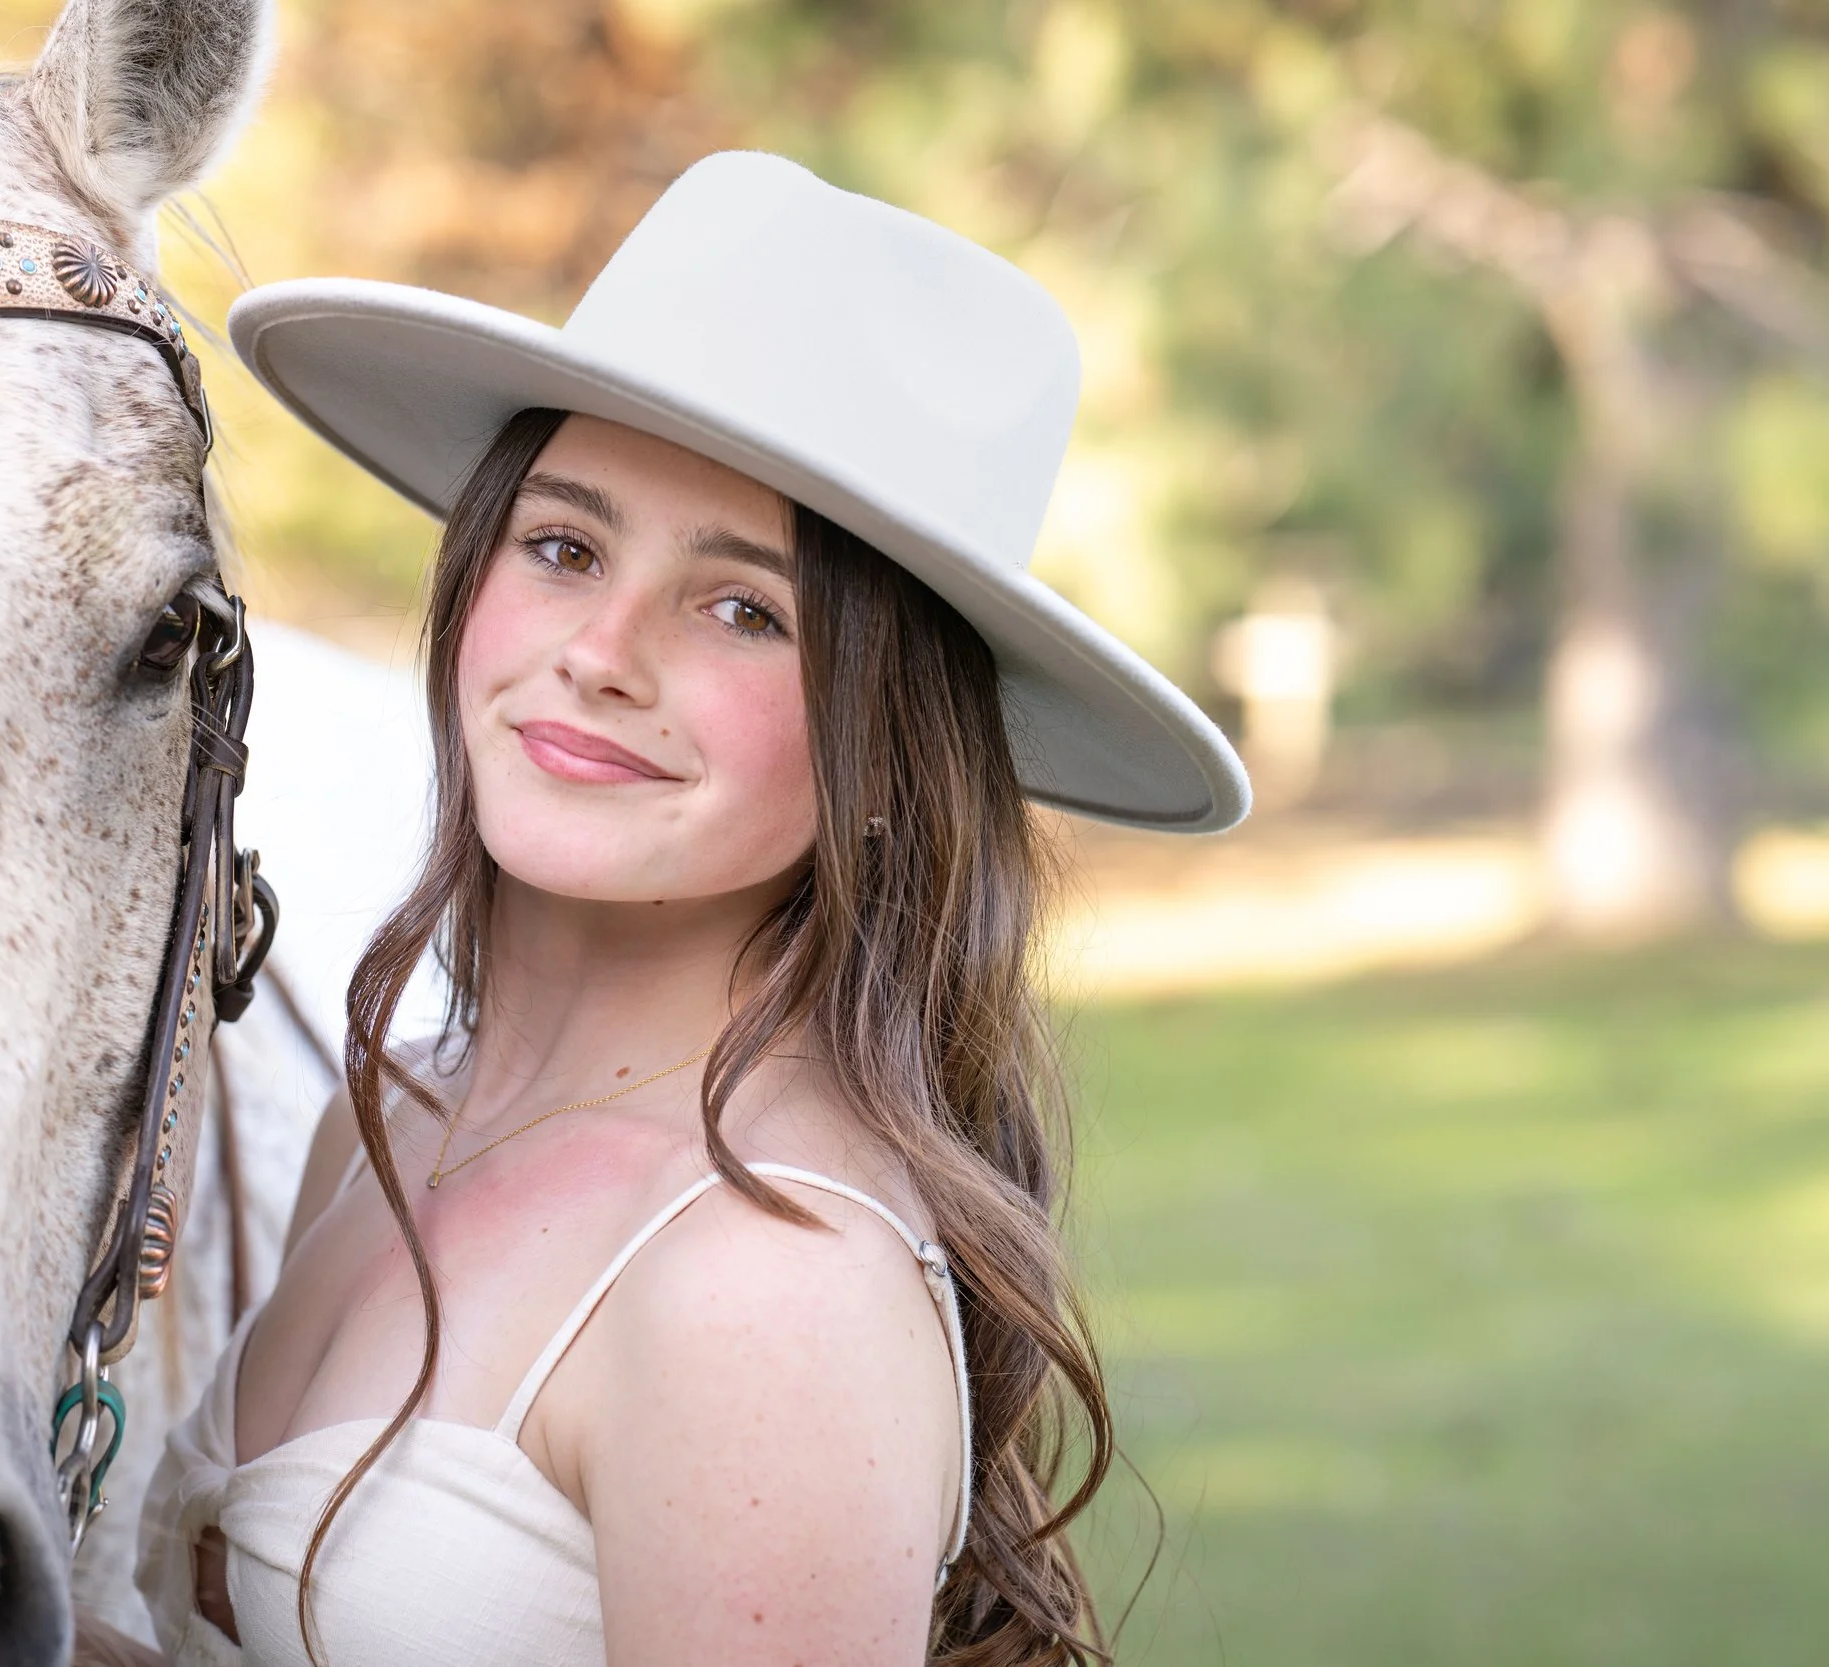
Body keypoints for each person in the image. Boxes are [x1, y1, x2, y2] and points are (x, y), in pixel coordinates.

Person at [138, 151, 1248, 1667]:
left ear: (884, 749)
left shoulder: (764, 1282)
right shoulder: (394, 1112)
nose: (603, 650)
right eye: (566, 546)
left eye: (744, 608)